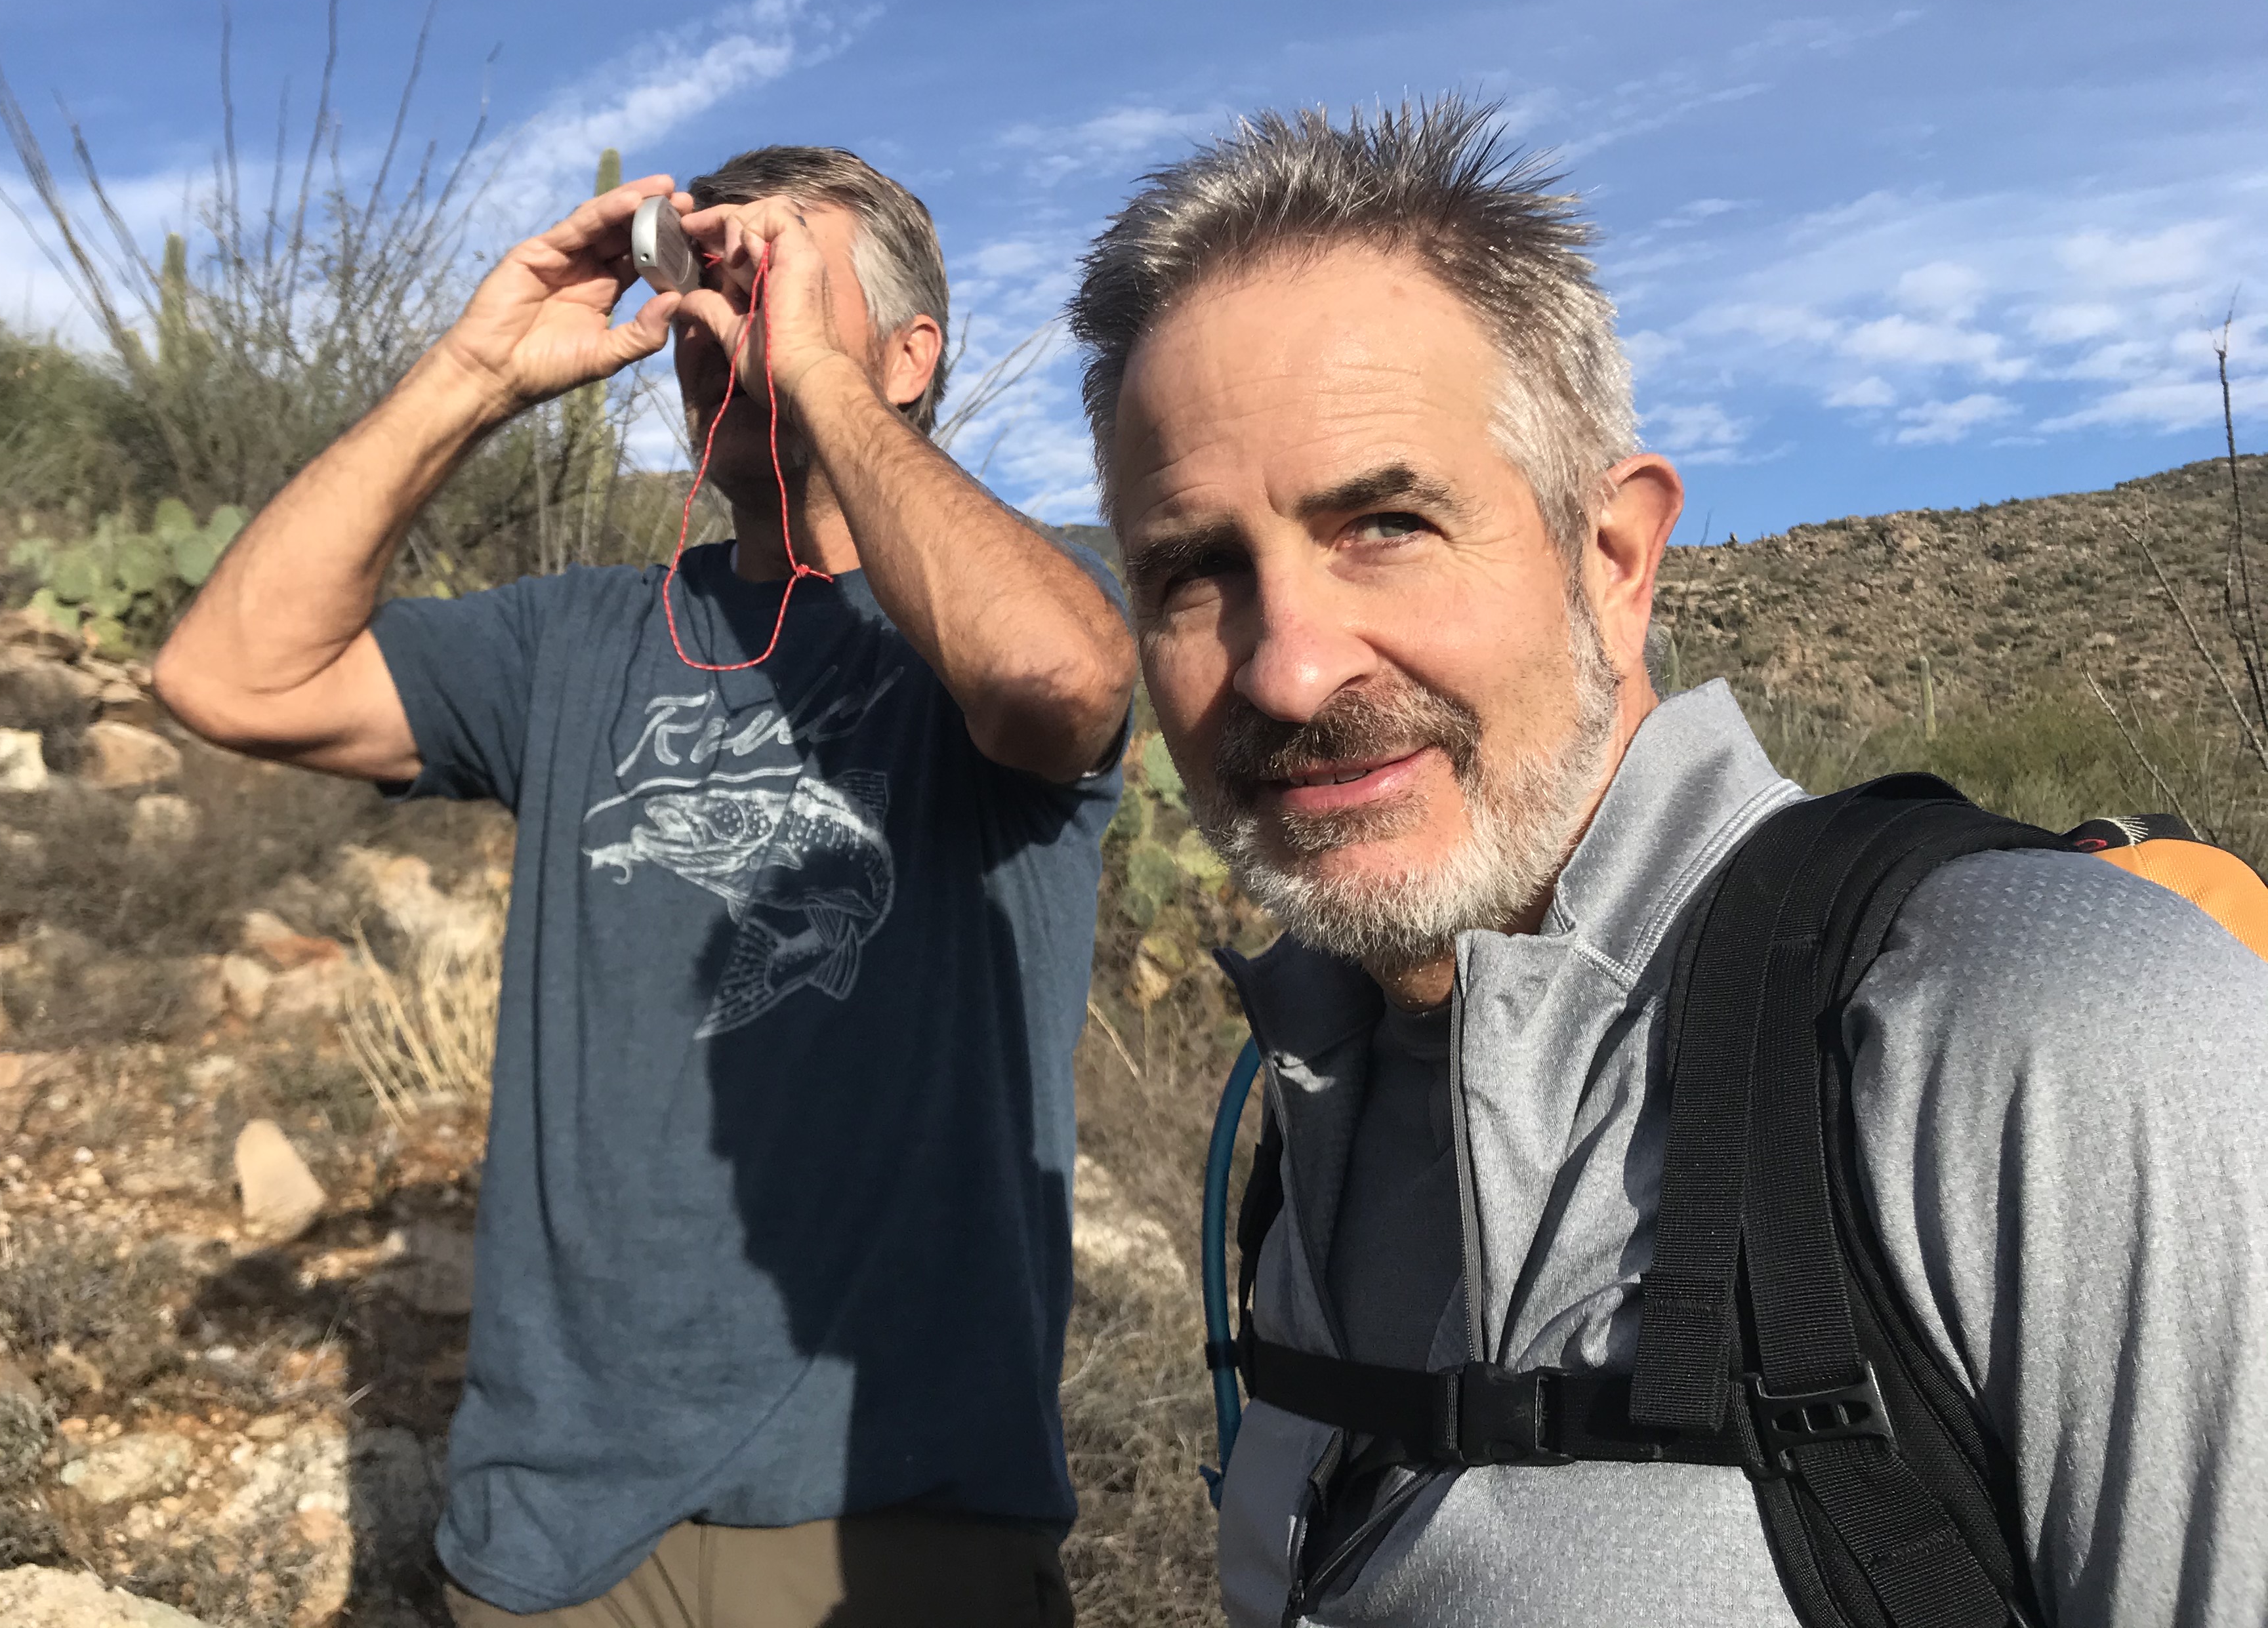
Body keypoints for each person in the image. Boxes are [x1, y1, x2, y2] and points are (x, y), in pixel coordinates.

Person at [1065, 101, 2268, 1627]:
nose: (1289, 670)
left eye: (1385, 521)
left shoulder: (2042, 1032)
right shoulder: (1314, 1087)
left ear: (1615, 559)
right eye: (1194, 571)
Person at [155, 146, 1135, 1626]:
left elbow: (1053, 682)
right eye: (707, 292)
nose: (723, 328)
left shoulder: (1013, 619)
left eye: (776, 283)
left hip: (899, 1514)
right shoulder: (577, 642)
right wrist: (475, 372)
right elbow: (229, 675)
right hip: (559, 1527)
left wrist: (816, 372)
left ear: (912, 353)